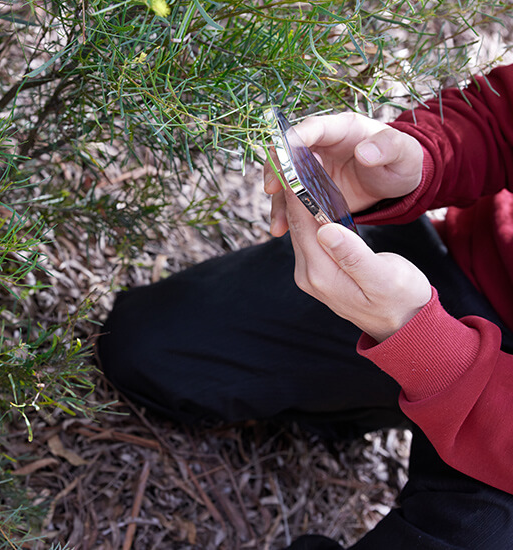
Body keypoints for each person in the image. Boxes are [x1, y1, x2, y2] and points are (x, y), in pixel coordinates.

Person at [96, 63, 513, 549]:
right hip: (474, 274)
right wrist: (421, 157)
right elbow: (501, 116)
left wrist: (425, 348)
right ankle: (369, 403)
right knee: (147, 348)